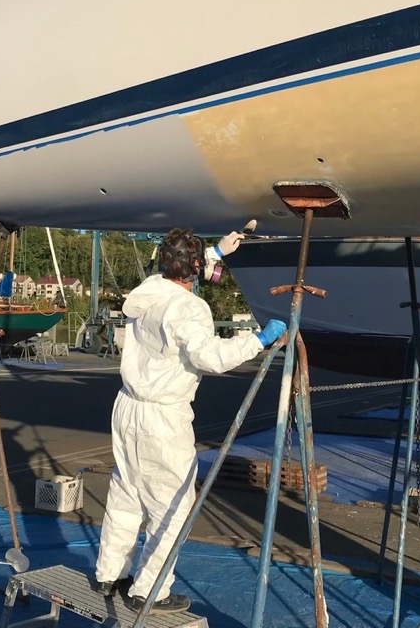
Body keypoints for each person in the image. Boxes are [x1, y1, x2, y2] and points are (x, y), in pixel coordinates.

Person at [94, 227, 287, 614]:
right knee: (172, 505)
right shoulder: (189, 308)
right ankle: (149, 589)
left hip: (128, 405)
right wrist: (259, 339)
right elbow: (210, 357)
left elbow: (174, 286)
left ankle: (110, 575)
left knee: (128, 491)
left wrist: (215, 252)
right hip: (163, 417)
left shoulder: (147, 292)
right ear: (194, 268)